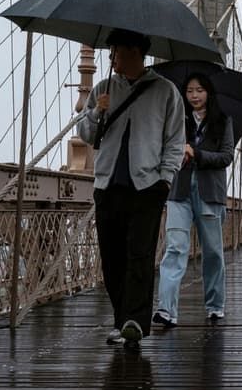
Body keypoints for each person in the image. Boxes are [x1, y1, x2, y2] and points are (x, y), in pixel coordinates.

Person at [77, 29, 185, 352]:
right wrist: (98, 111)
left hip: (147, 187)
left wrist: (165, 180)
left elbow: (175, 141)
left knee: (140, 254)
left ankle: (134, 322)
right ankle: (120, 319)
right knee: (111, 258)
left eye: (115, 52)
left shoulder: (166, 92)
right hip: (107, 185)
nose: (110, 58)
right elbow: (84, 132)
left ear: (134, 50)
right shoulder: (103, 88)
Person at [154, 73, 235, 329]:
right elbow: (163, 150)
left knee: (212, 252)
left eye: (199, 90)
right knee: (175, 249)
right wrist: (179, 151)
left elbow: (226, 157)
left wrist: (196, 153)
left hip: (210, 194)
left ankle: (215, 306)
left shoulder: (223, 121)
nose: (194, 95)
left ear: (208, 92)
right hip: (179, 193)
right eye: (189, 91)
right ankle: (166, 310)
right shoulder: (177, 121)